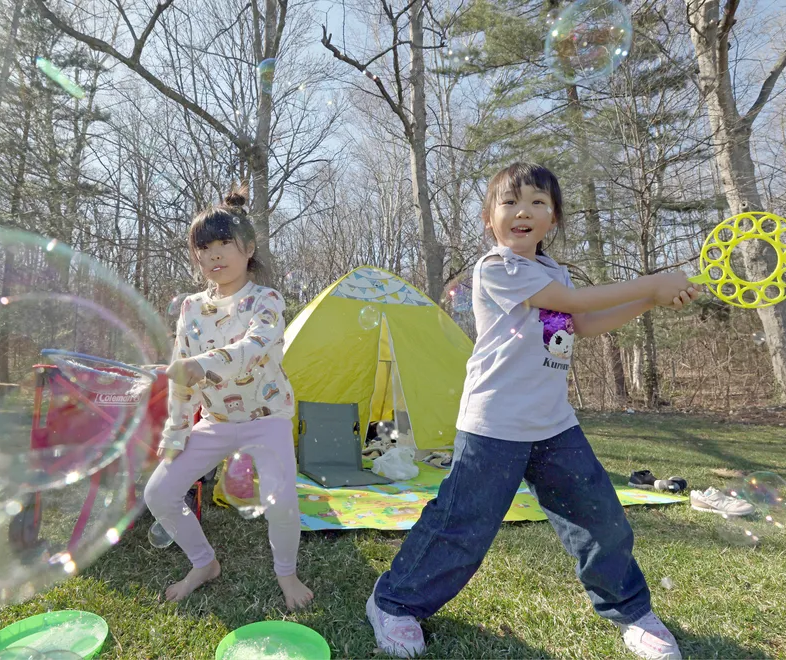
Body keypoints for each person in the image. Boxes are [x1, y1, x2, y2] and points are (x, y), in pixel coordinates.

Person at [366, 163, 697, 660]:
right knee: (463, 527)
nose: (523, 211)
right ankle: (393, 603)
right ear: (489, 219)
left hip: (553, 423)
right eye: (510, 202)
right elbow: (571, 299)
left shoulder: (552, 272)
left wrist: (650, 302)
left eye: (538, 202)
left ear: (553, 219)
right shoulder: (496, 268)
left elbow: (580, 322)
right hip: (494, 425)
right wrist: (651, 283)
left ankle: (630, 611)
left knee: (601, 519)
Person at [143, 189, 313, 610]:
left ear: (249, 248)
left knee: (282, 502)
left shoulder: (267, 300)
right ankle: (204, 564)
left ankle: (286, 573)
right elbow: (182, 372)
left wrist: (203, 363)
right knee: (159, 494)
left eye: (224, 244)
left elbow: (255, 347)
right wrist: (176, 431)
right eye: (205, 248)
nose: (215, 255)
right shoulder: (190, 308)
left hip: (267, 417)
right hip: (215, 421)